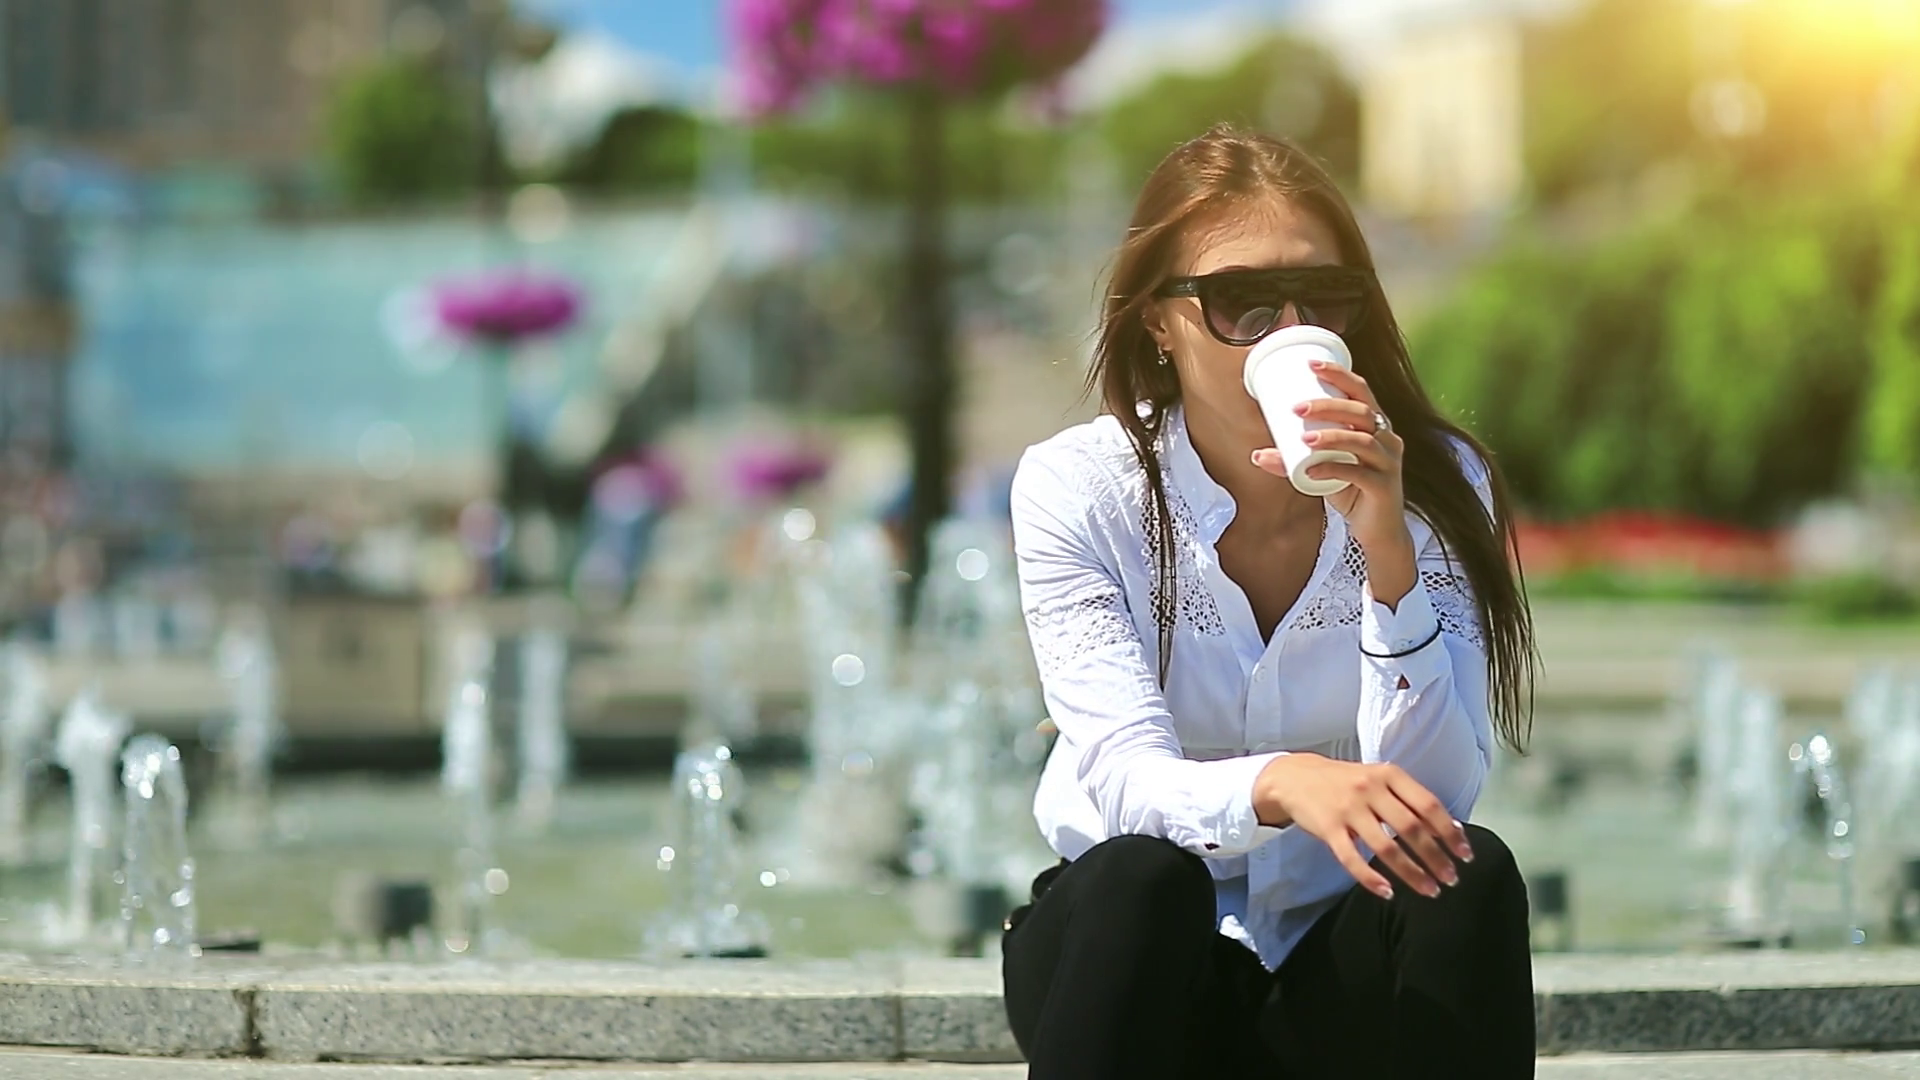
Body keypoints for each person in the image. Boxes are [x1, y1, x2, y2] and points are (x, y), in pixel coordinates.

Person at [1000, 124, 1540, 1079]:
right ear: (1158, 321)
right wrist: (1282, 782)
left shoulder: (1437, 482)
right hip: (1135, 965)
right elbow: (1125, 781)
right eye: (1241, 301)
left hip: (1336, 963)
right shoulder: (1078, 487)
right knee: (1140, 877)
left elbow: (1441, 795)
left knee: (1467, 867)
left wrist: (1386, 549)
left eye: (1324, 297)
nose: (1291, 330)